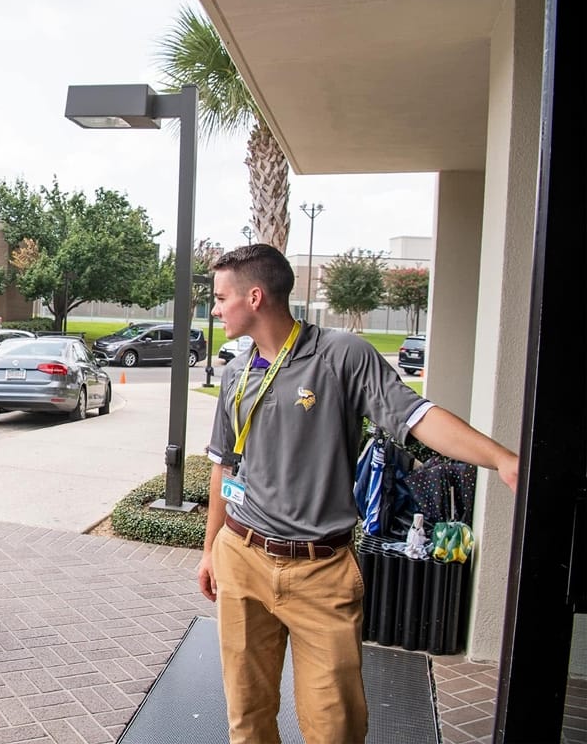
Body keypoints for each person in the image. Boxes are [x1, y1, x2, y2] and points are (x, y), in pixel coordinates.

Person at [198, 244, 518, 743]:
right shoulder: (237, 373)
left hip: (320, 572)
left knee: (336, 727)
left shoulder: (342, 355)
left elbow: (417, 415)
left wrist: (501, 458)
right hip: (241, 557)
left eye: (220, 298)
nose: (215, 309)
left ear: (254, 297)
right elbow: (224, 464)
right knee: (247, 717)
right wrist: (211, 550)